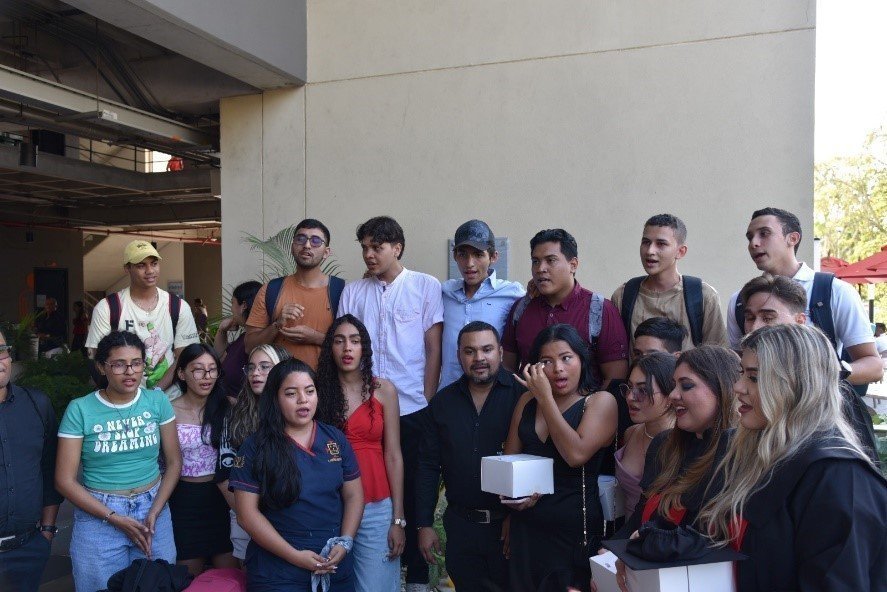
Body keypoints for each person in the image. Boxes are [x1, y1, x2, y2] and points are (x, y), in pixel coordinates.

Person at [699, 323, 886, 591]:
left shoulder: (837, 475)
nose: (737, 386)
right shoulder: (747, 452)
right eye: (742, 373)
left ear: (796, 384)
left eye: (754, 377)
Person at [338, 215, 443, 592]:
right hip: (363, 411)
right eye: (364, 247)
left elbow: (433, 348)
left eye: (376, 247)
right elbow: (343, 346)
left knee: (413, 494)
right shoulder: (353, 291)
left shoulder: (425, 286)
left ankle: (415, 579)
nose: (368, 254)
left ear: (396, 247)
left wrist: (427, 399)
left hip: (412, 408)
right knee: (362, 490)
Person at [56, 331, 182, 592]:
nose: (130, 371)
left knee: (157, 584)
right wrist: (114, 518)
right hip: (99, 514)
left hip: (153, 509)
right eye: (119, 364)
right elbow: (64, 481)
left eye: (137, 363)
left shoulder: (157, 401)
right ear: (102, 367)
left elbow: (173, 462)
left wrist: (156, 511)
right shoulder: (80, 409)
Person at [229, 358, 364, 592]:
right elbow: (246, 515)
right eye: (291, 393)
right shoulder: (255, 446)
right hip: (278, 569)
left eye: (309, 391)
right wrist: (294, 556)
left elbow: (354, 496)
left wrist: (346, 541)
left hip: (334, 562)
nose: (303, 400)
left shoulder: (334, 439)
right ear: (275, 399)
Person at [504, 324, 618, 592]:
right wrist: (513, 503)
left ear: (582, 359)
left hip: (573, 532)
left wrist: (545, 398)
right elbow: (509, 463)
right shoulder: (526, 402)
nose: (558, 369)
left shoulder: (600, 402)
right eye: (547, 361)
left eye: (566, 358)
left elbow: (575, 454)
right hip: (526, 527)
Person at [417, 321, 525, 592]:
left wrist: (520, 518)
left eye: (487, 349)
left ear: (500, 352)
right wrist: (424, 524)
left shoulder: (523, 396)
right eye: (470, 351)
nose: (479, 358)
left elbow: (537, 460)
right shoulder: (442, 404)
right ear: (459, 356)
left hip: (510, 530)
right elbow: (428, 467)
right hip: (461, 530)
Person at [728, 207, 883, 386]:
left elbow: (874, 366)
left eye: (764, 234)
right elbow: (737, 362)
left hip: (820, 409)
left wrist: (825, 373)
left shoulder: (834, 291)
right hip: (760, 408)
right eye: (750, 237)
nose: (753, 243)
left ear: (792, 238)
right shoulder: (739, 301)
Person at [737, 274, 881, 465]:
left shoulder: (832, 459)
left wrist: (830, 370)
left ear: (800, 321)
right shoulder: (739, 440)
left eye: (768, 317)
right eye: (749, 317)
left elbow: (875, 365)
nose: (755, 326)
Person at [315, 315, 405, 592]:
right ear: (330, 348)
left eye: (355, 341)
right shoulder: (316, 392)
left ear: (365, 347)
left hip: (377, 505)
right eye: (339, 341)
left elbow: (393, 455)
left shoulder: (384, 391)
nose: (347, 348)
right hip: (330, 504)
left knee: (375, 587)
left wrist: (398, 519)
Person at [614, 345, 739, 539]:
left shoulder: (736, 454)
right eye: (674, 385)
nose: (673, 395)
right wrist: (612, 549)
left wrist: (646, 544)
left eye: (686, 386)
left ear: (721, 389)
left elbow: (704, 538)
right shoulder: (663, 444)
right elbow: (641, 514)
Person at [502, 228, 628, 387]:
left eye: (551, 260)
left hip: (586, 410)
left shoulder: (600, 310)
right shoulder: (520, 309)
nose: (541, 268)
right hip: (529, 407)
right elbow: (507, 368)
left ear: (573, 265)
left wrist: (593, 409)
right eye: (535, 261)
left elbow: (615, 378)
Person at [85, 240, 199, 392]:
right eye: (141, 265)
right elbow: (97, 358)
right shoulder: (108, 307)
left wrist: (157, 392)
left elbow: (185, 357)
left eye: (154, 263)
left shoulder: (178, 306)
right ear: (127, 268)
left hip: (169, 398)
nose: (150, 270)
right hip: (122, 400)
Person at [0, 327, 63, 592]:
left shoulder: (37, 404)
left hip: (28, 550)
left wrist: (47, 532)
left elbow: (50, 470)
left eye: (1, 351)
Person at [219, 344, 292, 563]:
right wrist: (250, 517)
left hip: (290, 518)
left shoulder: (298, 414)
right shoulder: (234, 416)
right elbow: (224, 474)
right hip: (244, 518)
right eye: (251, 367)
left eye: (264, 367)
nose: (255, 373)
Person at [168, 344, 237, 576]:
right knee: (188, 576)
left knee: (231, 575)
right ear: (181, 373)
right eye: (198, 370)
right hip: (183, 498)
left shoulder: (229, 407)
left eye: (212, 369)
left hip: (223, 496)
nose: (207, 377)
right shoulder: (168, 411)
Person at [611, 214, 728, 350]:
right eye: (646, 242)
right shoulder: (624, 296)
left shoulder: (703, 296)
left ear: (680, 252)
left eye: (661, 244)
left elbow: (718, 357)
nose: (650, 251)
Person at [245, 219, 345, 369]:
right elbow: (249, 347)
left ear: (326, 252)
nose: (307, 245)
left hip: (328, 386)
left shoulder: (342, 290)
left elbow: (352, 347)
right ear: (292, 246)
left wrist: (316, 338)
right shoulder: (271, 290)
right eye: (300, 239)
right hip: (280, 385)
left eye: (316, 241)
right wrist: (277, 324)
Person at [441, 220, 525, 387]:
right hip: (449, 394)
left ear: (493, 257)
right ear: (455, 256)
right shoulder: (443, 293)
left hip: (493, 395)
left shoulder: (512, 294)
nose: (469, 263)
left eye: (478, 254)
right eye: (463, 254)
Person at [614, 352, 676, 520]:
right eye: (628, 388)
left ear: (671, 395)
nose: (630, 397)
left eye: (643, 390)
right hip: (623, 536)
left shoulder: (682, 442)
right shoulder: (631, 433)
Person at [215, 280, 263, 397]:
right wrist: (222, 330)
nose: (231, 309)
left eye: (232, 303)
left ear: (244, 306)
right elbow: (217, 358)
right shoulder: (243, 337)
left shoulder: (257, 341)